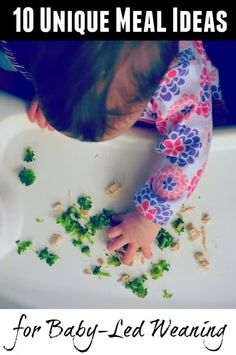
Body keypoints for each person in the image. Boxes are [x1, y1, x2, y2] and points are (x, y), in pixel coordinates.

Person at [0, 40, 220, 265]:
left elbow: (192, 146)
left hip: (183, 104)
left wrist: (151, 217)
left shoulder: (179, 75)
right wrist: (58, 99)